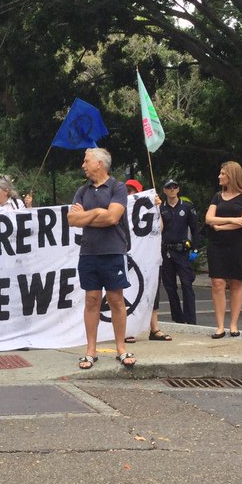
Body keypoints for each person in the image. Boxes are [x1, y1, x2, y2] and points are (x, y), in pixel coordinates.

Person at [68, 147, 134, 369]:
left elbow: (113, 217)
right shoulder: (81, 191)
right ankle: (90, 351)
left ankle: (121, 348)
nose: (83, 165)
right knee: (92, 300)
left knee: (116, 299)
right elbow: (72, 220)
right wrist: (98, 213)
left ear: (99, 163)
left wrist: (88, 215)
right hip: (88, 253)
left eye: (86, 161)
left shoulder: (118, 187)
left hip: (113, 251)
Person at [204, 161, 242, 338]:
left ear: (232, 175)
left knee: (235, 282)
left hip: (237, 243)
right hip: (217, 244)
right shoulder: (217, 196)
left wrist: (221, 226)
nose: (219, 176)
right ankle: (220, 326)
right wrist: (233, 221)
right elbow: (209, 218)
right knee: (217, 282)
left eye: (223, 173)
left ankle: (233, 324)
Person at [122, 179, 170, 343]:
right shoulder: (120, 208)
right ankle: (128, 330)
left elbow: (160, 228)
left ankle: (154, 328)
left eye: (133, 191)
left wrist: (155, 207)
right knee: (129, 291)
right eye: (127, 191)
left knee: (151, 290)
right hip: (129, 256)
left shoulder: (149, 208)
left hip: (148, 257)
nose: (130, 195)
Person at [159, 179, 200, 325]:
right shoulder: (160, 208)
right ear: (164, 190)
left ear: (178, 189)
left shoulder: (187, 207)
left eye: (174, 187)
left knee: (187, 283)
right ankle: (178, 318)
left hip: (182, 250)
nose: (171, 190)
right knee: (170, 286)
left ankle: (190, 319)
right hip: (166, 250)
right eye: (168, 187)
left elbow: (195, 230)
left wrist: (195, 248)